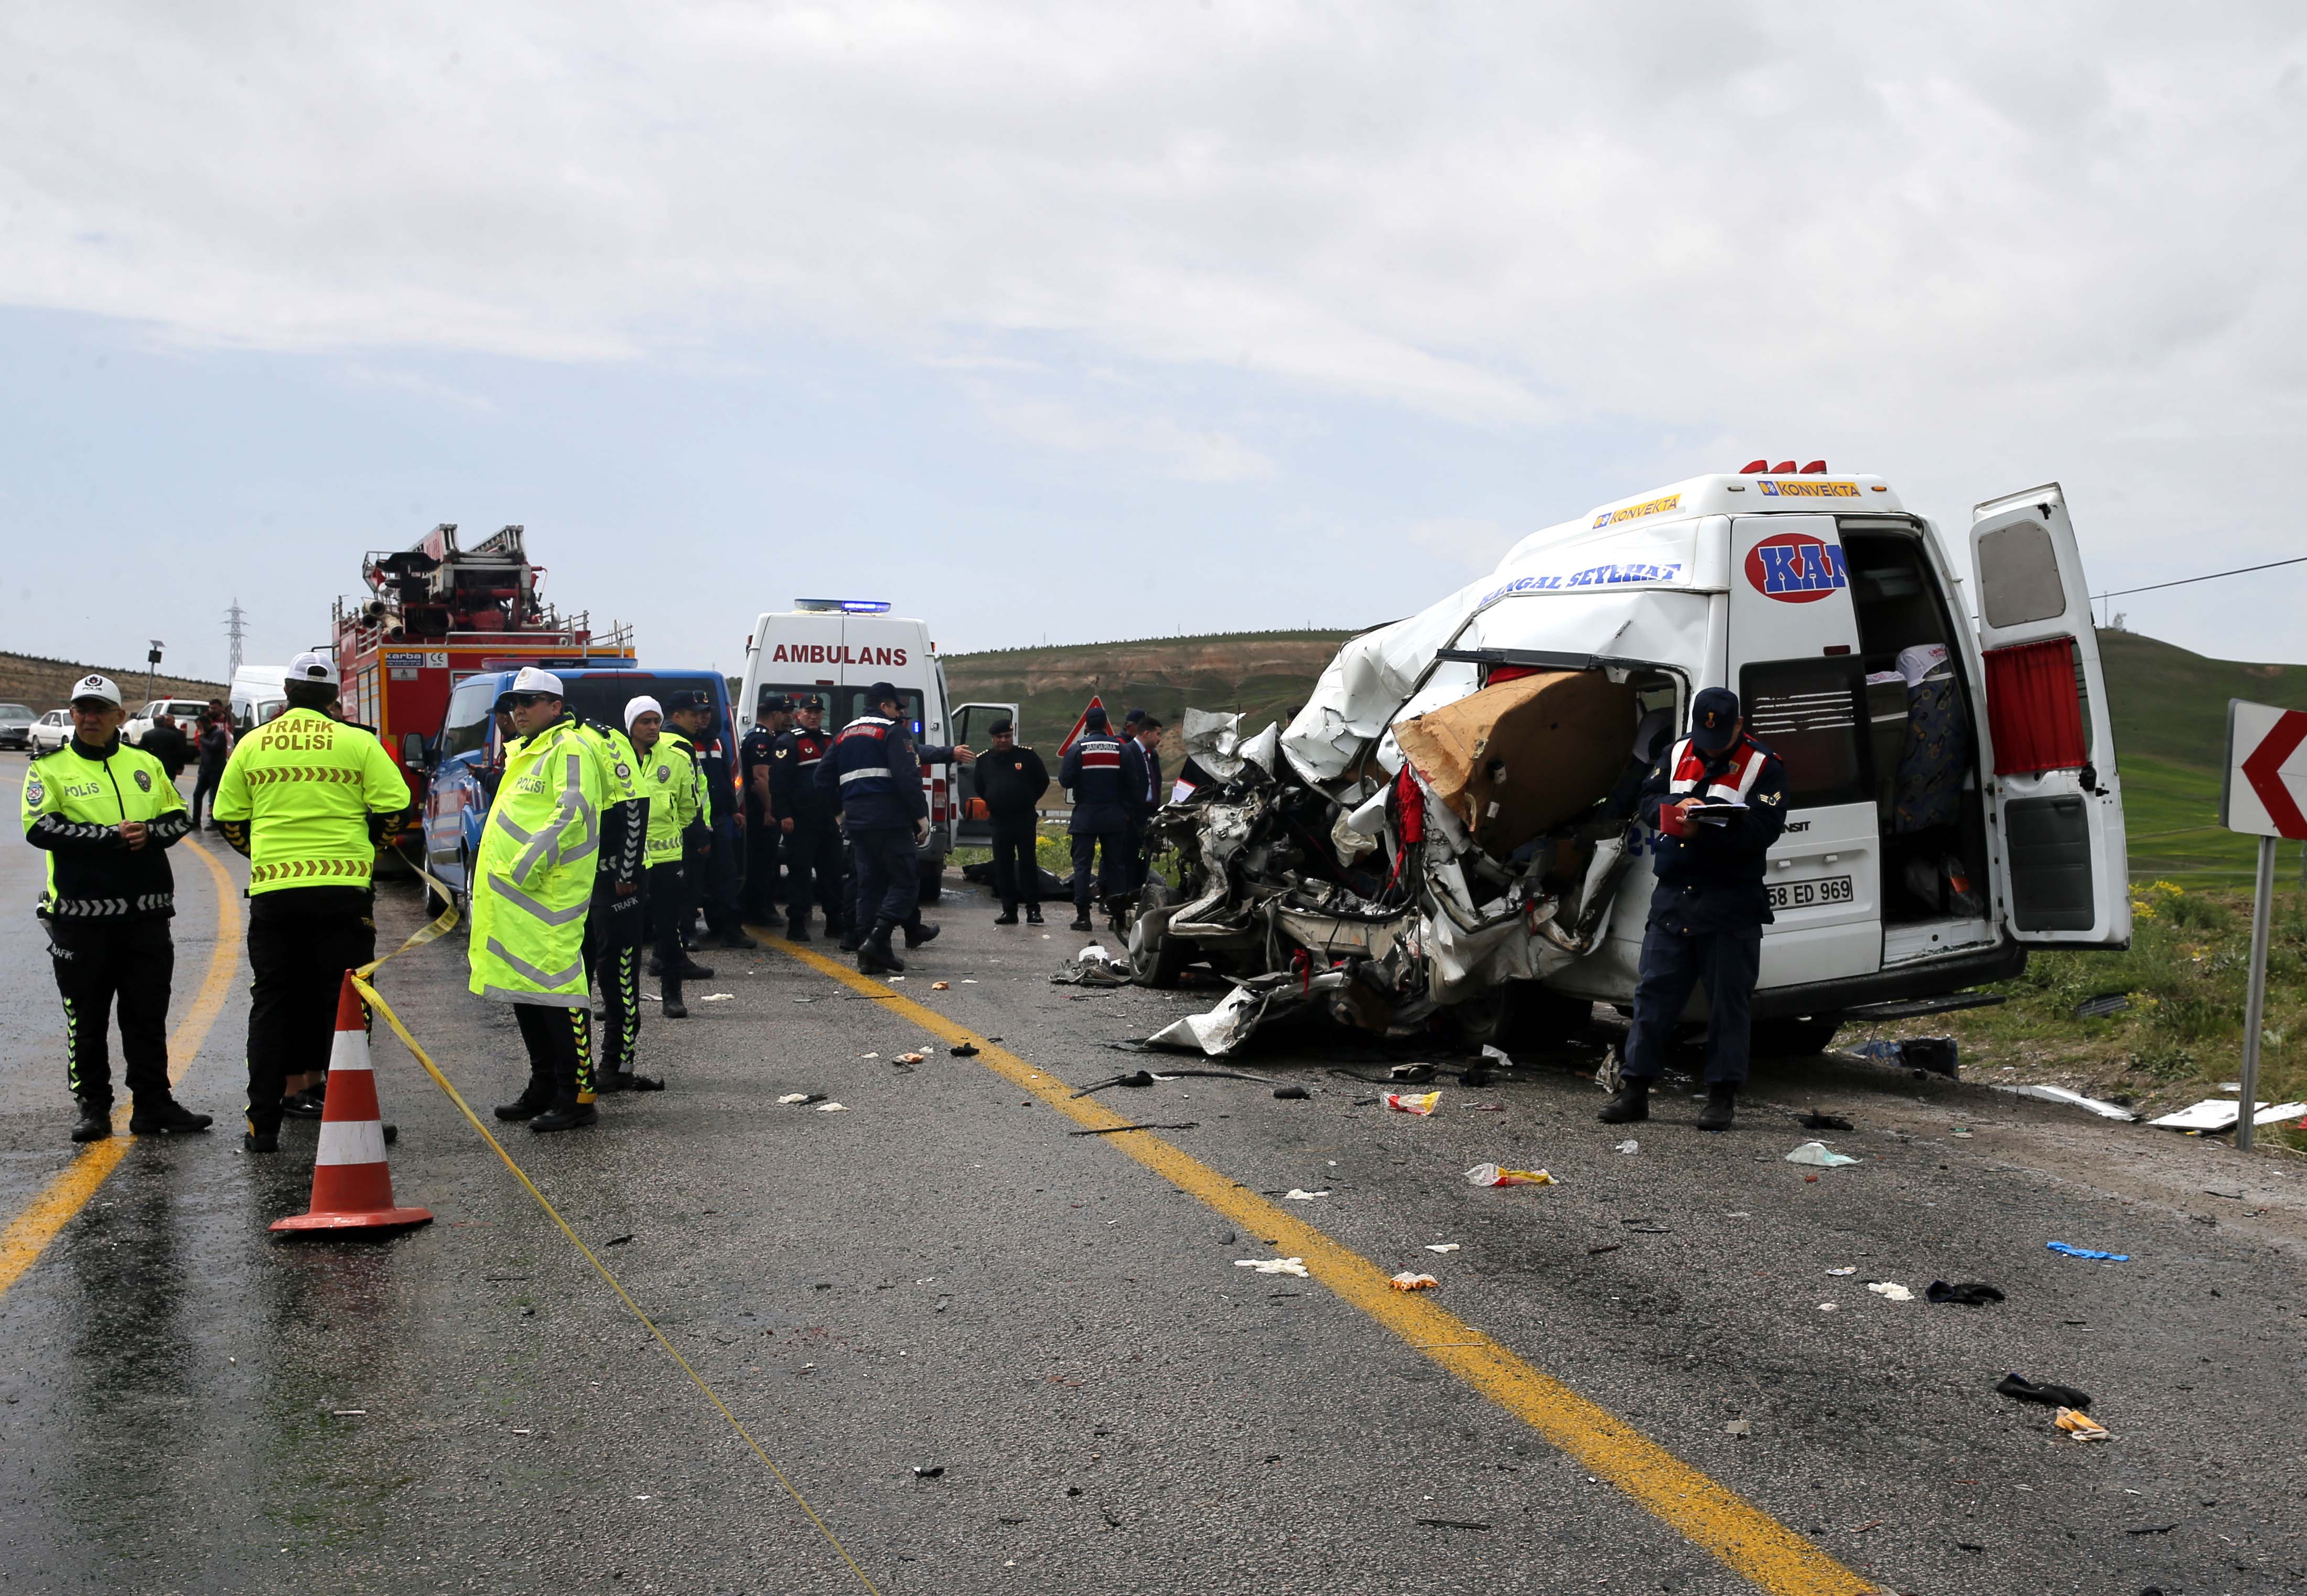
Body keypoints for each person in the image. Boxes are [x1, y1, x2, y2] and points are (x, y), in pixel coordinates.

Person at [212, 652, 412, 1151]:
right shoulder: (358, 743)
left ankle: (262, 1127)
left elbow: (228, 817)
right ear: (334, 699)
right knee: (344, 1006)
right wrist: (372, 847)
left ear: (288, 691)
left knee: (272, 1004)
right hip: (342, 894)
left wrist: (264, 854)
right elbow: (395, 806)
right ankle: (349, 1119)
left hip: (275, 895)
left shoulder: (253, 744)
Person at [21, 674, 209, 1144]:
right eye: (81, 710)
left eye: (100, 710)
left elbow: (179, 818)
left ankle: (152, 1104)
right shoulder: (49, 767)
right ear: (73, 714)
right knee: (86, 1019)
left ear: (119, 717)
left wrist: (148, 833)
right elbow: (40, 828)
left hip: (146, 918)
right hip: (79, 922)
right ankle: (93, 1108)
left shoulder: (145, 763)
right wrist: (110, 839)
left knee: (147, 1016)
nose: (89, 718)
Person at [1600, 687, 1788, 1133]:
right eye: (1705, 738)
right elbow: (1647, 800)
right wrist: (1673, 807)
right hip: (1674, 897)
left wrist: (1709, 823)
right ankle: (1635, 1091)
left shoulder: (1766, 766)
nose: (1710, 746)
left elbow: (1765, 829)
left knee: (1728, 1004)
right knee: (1652, 998)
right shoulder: (1678, 751)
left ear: (1739, 727)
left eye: (1721, 738)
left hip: (1730, 900)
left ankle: (1721, 1098)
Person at [468, 669, 622, 1131]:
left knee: (558, 995)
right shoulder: (525, 750)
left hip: (546, 897)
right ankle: (543, 1086)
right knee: (526, 991)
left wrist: (522, 868)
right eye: (515, 702)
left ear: (555, 706)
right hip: (515, 902)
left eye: (530, 701)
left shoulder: (569, 747)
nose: (518, 709)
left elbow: (573, 812)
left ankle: (577, 1094)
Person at [818, 682, 933, 974]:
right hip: (890, 821)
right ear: (884, 706)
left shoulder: (844, 735)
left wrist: (840, 814)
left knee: (869, 887)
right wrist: (921, 817)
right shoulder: (892, 732)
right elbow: (907, 777)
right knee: (906, 881)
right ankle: (879, 938)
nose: (899, 714)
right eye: (897, 708)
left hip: (857, 823)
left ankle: (869, 957)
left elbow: (821, 778)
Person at [574, 698, 654, 1093]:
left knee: (617, 974)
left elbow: (635, 805)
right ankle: (577, 1066)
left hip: (616, 883)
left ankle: (619, 1064)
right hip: (576, 885)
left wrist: (627, 872)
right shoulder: (547, 747)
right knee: (577, 978)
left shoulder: (600, 741)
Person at [628, 696, 713, 1018]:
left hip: (667, 860)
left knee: (669, 929)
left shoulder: (676, 757)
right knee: (628, 934)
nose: (652, 727)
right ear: (631, 726)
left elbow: (690, 805)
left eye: (655, 721)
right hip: (630, 861)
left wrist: (687, 835)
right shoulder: (616, 760)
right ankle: (622, 1001)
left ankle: (672, 996)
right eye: (644, 722)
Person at [665, 691, 753, 950]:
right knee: (691, 881)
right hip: (692, 822)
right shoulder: (676, 743)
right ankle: (688, 933)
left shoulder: (715, 742)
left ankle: (730, 930)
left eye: (706, 712)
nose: (702, 718)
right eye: (697, 713)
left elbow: (725, 780)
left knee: (725, 876)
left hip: (719, 818)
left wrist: (733, 809)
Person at [1058, 707, 1145, 932]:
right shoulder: (1122, 750)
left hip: (1086, 815)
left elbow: (1065, 781)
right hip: (1114, 816)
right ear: (1106, 725)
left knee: (1082, 867)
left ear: (1087, 726)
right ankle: (1116, 917)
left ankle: (1083, 917)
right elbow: (1133, 786)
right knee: (1116, 866)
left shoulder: (1078, 750)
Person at [769, 697, 842, 942]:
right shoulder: (789, 742)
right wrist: (784, 814)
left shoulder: (831, 740)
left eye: (818, 713)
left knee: (831, 873)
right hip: (800, 821)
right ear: (799, 715)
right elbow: (778, 783)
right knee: (800, 875)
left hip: (827, 820)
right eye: (809, 712)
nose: (814, 716)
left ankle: (834, 922)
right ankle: (797, 924)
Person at [972, 718, 1051, 925]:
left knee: (1027, 863)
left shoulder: (1027, 756)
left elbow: (1042, 781)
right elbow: (980, 787)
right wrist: (995, 800)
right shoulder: (984, 760)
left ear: (1012, 736)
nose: (1004, 740)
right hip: (999, 820)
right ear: (993, 739)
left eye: (1007, 736)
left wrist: (1028, 799)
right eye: (1000, 737)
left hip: (1024, 818)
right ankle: (1009, 910)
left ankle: (1033, 910)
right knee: (1003, 865)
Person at [738, 695, 792, 923]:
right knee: (761, 862)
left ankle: (759, 908)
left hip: (756, 811)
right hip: (760, 812)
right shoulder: (762, 740)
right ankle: (757, 911)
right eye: (785, 712)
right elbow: (761, 778)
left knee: (762, 861)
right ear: (775, 715)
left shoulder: (755, 736)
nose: (787, 717)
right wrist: (770, 810)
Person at [1127, 715, 1165, 890]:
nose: (1159, 739)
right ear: (1147, 733)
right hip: (1134, 815)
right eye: (1158, 734)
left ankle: (1139, 888)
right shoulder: (1129, 752)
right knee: (1131, 854)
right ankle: (1128, 889)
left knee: (1144, 855)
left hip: (1148, 814)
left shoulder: (1149, 755)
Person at [190, 709, 232, 831]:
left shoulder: (218, 734)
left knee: (214, 796)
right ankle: (195, 821)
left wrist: (202, 738)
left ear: (205, 724)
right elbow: (204, 754)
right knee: (197, 794)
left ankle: (215, 822)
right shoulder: (205, 735)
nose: (198, 730)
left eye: (199, 727)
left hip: (216, 770)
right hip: (205, 770)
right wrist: (200, 769)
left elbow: (214, 747)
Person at [141, 711, 191, 789]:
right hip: (169, 767)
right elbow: (180, 752)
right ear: (164, 723)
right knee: (168, 789)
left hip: (152, 766)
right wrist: (180, 766)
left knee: (154, 787)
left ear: (154, 723)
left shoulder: (147, 735)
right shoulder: (173, 735)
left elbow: (141, 751)